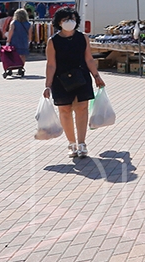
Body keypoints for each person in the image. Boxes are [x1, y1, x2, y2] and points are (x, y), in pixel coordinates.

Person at [44, 9, 105, 159]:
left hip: (81, 76)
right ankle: (71, 144)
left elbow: (89, 59)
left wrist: (96, 76)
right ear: (59, 22)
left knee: (82, 108)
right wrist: (48, 85)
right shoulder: (53, 41)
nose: (69, 22)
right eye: (65, 19)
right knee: (64, 110)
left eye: (71, 19)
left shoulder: (82, 38)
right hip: (61, 79)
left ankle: (82, 143)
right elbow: (51, 64)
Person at [5, 8, 34, 75]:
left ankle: (11, 68)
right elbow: (30, 34)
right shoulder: (29, 24)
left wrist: (8, 40)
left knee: (12, 55)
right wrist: (29, 42)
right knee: (22, 55)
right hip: (24, 41)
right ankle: (20, 68)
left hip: (14, 40)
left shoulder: (14, 22)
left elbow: (10, 32)